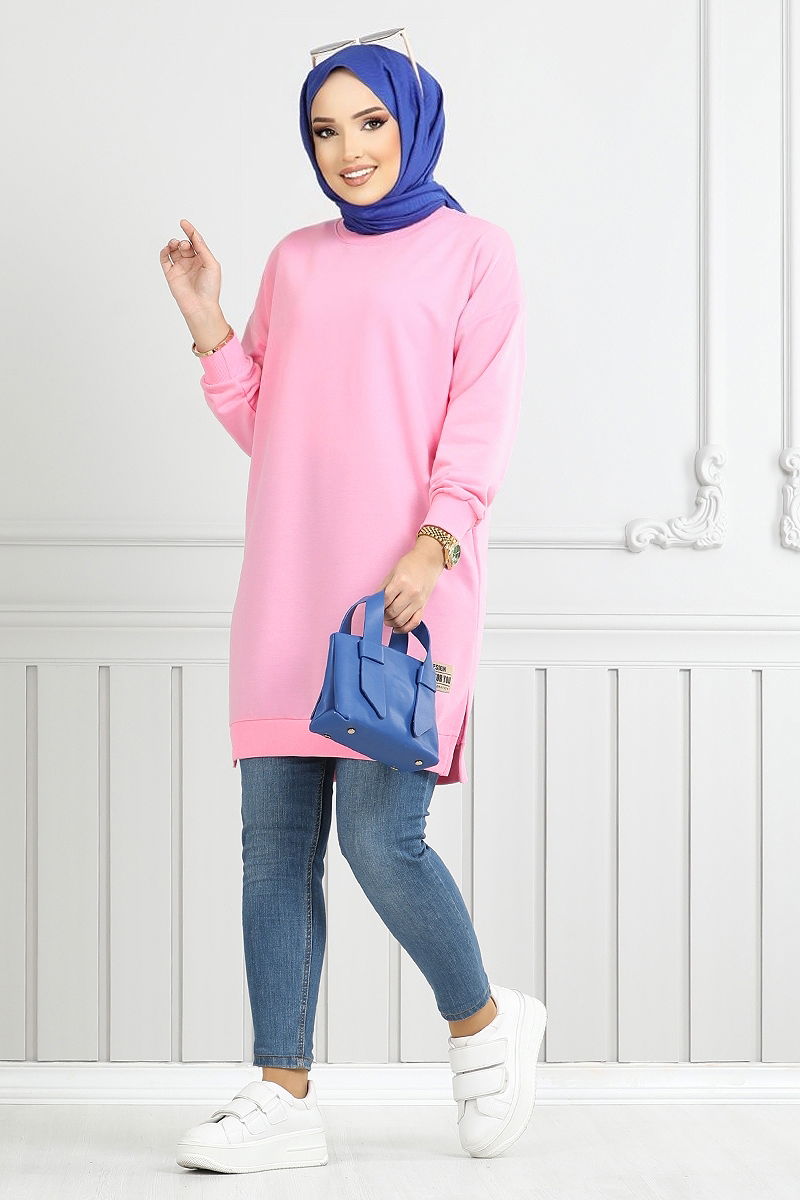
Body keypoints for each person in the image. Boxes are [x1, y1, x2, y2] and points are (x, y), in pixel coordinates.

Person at [160, 35, 546, 1174]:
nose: (348, 150)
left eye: (369, 122)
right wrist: (208, 320)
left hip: (405, 590)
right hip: (286, 587)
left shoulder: (476, 253)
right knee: (273, 850)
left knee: (384, 839)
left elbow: (479, 422)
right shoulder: (295, 260)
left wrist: (434, 543)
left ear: (411, 122)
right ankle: (281, 1092)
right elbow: (268, 424)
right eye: (325, 131)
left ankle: (484, 1026)